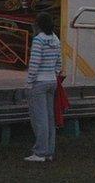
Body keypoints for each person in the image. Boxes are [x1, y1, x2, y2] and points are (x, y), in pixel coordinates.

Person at [25, 11, 62, 162]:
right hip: (51, 81)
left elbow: (34, 63)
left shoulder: (39, 40)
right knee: (49, 118)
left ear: (38, 25)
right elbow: (59, 62)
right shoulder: (55, 39)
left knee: (39, 118)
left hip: (39, 82)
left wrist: (29, 81)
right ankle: (49, 151)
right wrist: (54, 73)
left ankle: (40, 152)